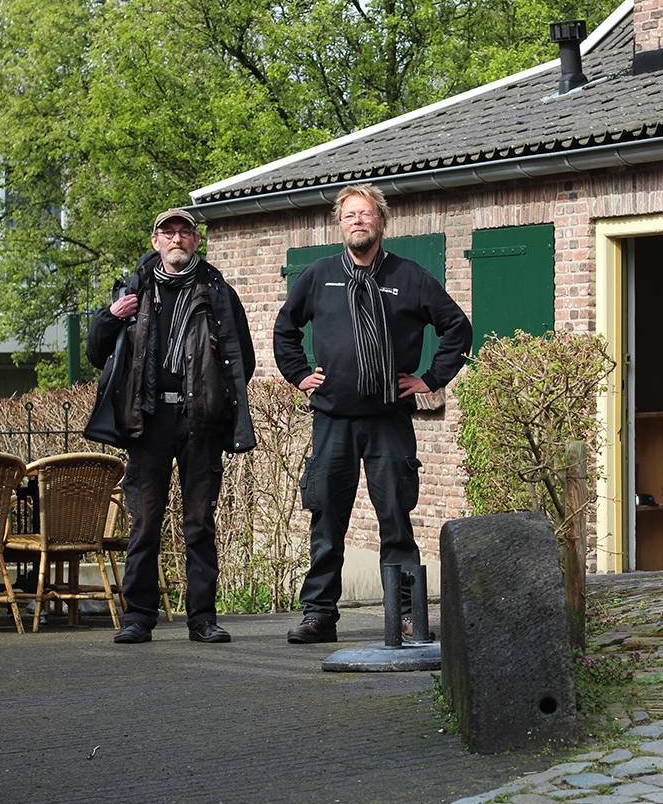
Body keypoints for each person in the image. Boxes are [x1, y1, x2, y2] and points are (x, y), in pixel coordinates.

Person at [274, 183, 472, 643]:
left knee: (396, 523)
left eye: (366, 214)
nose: (358, 221)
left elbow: (456, 327)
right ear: (339, 224)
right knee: (325, 522)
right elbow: (286, 328)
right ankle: (319, 616)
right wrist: (300, 374)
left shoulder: (410, 276)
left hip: (389, 421)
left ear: (381, 222)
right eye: (349, 215)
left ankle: (404, 615)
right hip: (332, 421)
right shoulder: (319, 275)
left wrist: (430, 379)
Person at [86, 208, 256, 644]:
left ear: (196, 242)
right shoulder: (133, 288)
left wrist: (214, 400)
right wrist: (110, 315)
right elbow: (96, 352)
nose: (177, 238)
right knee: (144, 521)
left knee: (200, 521)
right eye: (169, 232)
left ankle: (202, 619)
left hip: (199, 421)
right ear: (156, 240)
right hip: (148, 419)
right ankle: (138, 618)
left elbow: (243, 359)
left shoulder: (217, 291)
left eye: (185, 232)